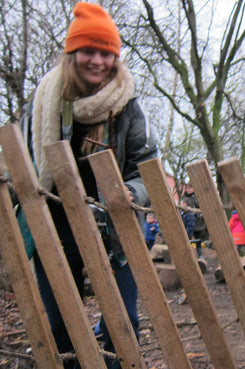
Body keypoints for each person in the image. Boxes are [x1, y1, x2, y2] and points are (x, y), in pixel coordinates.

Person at [18, 3, 157, 368]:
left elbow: (145, 166)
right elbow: (18, 159)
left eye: (107, 53)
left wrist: (132, 192)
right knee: (63, 327)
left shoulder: (127, 106)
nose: (98, 61)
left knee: (122, 325)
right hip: (55, 227)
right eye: (89, 51)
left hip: (116, 228)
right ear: (72, 53)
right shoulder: (44, 102)